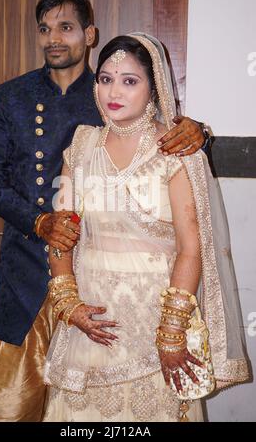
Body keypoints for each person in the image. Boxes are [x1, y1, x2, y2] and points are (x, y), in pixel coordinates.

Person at [0, 0, 207, 422]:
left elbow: (162, 138)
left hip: (103, 290)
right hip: (28, 274)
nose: (53, 39)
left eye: (65, 27)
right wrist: (40, 221)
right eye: (44, 29)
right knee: (9, 408)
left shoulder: (108, 96)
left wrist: (200, 131)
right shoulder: (11, 96)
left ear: (90, 34)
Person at [43, 33, 249, 422]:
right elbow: (61, 232)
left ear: (153, 86)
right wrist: (68, 304)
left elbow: (192, 249)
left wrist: (172, 331)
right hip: (91, 322)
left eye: (129, 80)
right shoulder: (82, 144)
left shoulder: (176, 150)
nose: (113, 92)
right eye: (105, 79)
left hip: (155, 326)